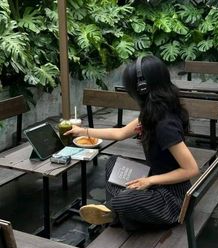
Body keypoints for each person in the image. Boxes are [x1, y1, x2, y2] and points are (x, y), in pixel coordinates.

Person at [64, 55, 199, 231]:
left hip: (172, 198)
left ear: (142, 89)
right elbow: (120, 133)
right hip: (155, 184)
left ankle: (116, 210)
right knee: (113, 163)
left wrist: (150, 180)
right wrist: (83, 131)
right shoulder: (152, 112)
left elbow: (191, 169)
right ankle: (119, 212)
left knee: (125, 199)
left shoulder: (165, 124)